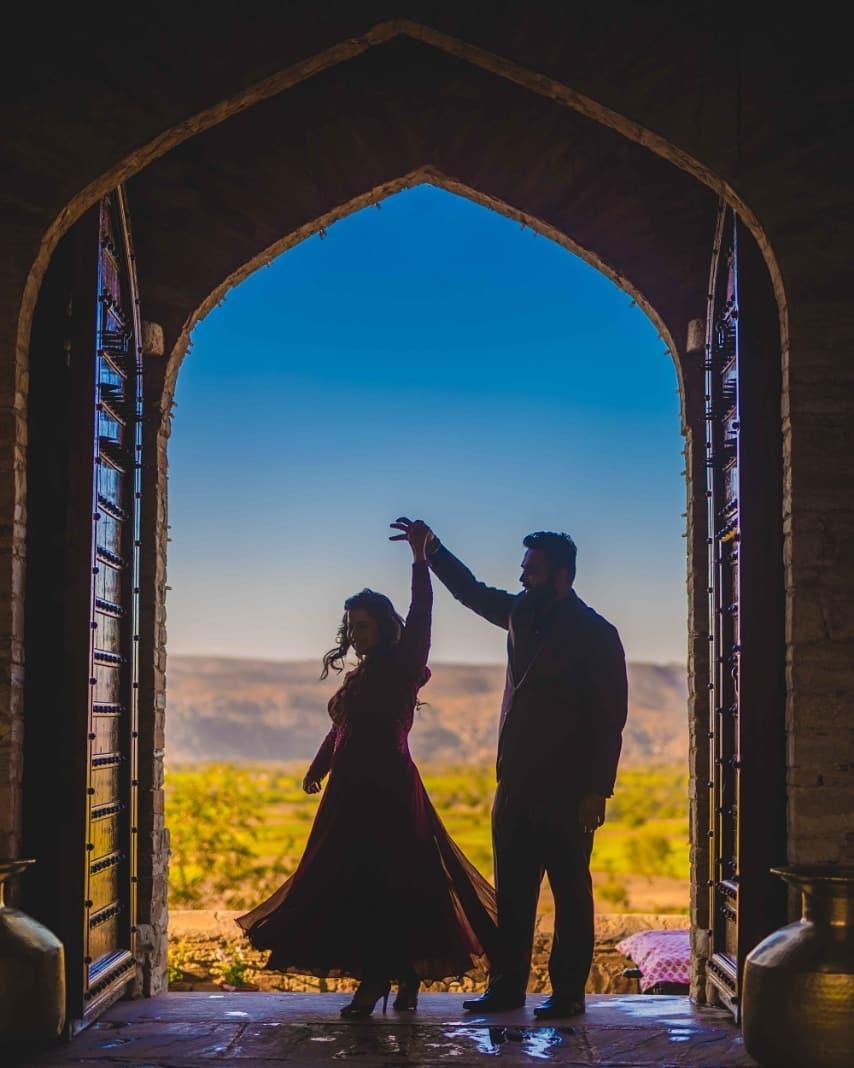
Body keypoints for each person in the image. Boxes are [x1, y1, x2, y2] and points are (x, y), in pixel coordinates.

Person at [236, 520, 497, 1018]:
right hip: (350, 795)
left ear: (383, 626)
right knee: (354, 883)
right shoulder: (362, 677)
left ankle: (380, 980)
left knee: (392, 884)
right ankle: (397, 977)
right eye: (350, 627)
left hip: (390, 794)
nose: (355, 636)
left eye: (363, 626)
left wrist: (421, 561)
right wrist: (319, 768)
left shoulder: (401, 666)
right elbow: (342, 730)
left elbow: (422, 613)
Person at [389, 518, 627, 1019]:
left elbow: (610, 720)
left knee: (571, 896)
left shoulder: (599, 634)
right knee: (513, 897)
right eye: (523, 569)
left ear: (563, 575)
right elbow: (473, 592)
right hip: (514, 785)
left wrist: (596, 791)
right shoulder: (520, 613)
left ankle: (567, 995)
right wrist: (431, 549)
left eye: (532, 570)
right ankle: (506, 989)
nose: (522, 578)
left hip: (568, 793)